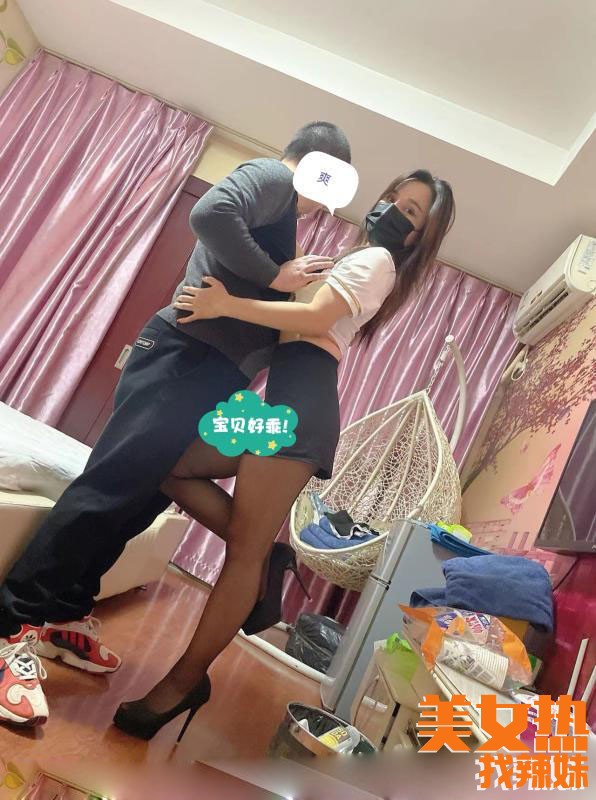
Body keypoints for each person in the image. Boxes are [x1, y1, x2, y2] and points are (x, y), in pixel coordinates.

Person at [0, 121, 352, 728]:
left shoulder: (282, 213)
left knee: (140, 499)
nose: (321, 205)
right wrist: (277, 278)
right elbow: (209, 212)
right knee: (110, 488)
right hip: (185, 356)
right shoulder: (275, 176)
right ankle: (14, 625)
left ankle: (65, 611)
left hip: (206, 369)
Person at [112, 169, 456, 741]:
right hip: (280, 406)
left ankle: (183, 682)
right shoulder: (355, 258)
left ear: (419, 236)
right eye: (393, 196)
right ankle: (265, 558)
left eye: (411, 211)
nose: (392, 208)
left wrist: (227, 305)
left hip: (302, 412)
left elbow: (315, 320)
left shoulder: (379, 262)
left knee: (234, 556)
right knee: (173, 463)